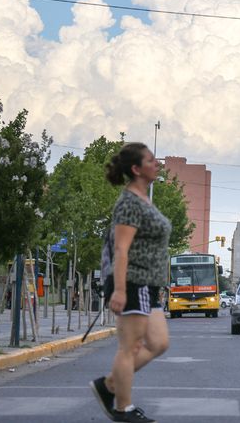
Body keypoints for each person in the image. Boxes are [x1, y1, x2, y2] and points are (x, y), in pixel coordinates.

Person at [90, 143, 171, 423]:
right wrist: (121, 290)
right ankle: (123, 407)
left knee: (159, 342)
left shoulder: (144, 199)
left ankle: (110, 385)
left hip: (149, 284)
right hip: (133, 283)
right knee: (131, 347)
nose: (156, 163)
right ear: (136, 169)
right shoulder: (129, 203)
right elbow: (121, 249)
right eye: (150, 160)